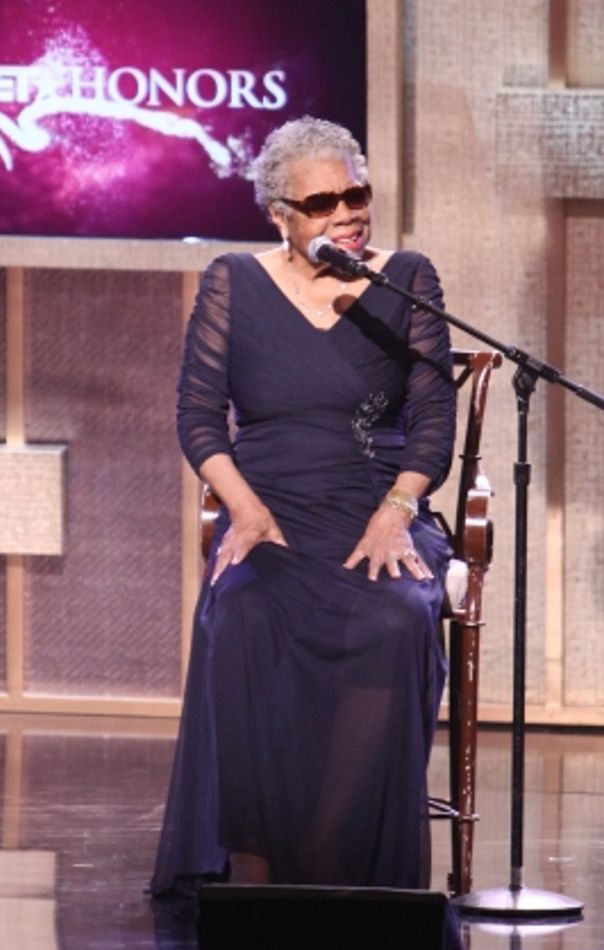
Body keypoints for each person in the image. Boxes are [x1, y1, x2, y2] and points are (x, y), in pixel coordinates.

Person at [150, 116, 456, 894]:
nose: (347, 213)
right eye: (322, 203)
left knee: (395, 620)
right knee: (245, 618)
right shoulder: (233, 281)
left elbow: (432, 421)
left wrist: (398, 510)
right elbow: (196, 415)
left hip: (373, 505)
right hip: (270, 511)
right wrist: (243, 511)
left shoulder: (406, 278)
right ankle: (256, 881)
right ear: (279, 215)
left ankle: (331, 868)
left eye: (356, 194)